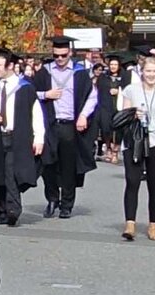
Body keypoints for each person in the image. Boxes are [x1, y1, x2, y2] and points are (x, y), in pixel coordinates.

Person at [32, 41, 103, 218]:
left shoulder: (79, 73)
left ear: (70, 53)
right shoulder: (44, 72)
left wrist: (83, 115)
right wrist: (45, 95)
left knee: (68, 167)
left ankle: (67, 204)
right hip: (50, 124)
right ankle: (52, 198)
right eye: (56, 56)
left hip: (70, 125)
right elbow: (29, 92)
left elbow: (92, 96)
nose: (60, 59)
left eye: (63, 55)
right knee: (48, 164)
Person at [115, 53, 155, 242]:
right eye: (148, 71)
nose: (151, 75)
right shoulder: (130, 90)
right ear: (141, 72)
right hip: (135, 141)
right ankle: (130, 223)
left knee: (154, 184)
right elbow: (123, 117)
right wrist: (133, 114)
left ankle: (153, 225)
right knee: (132, 181)